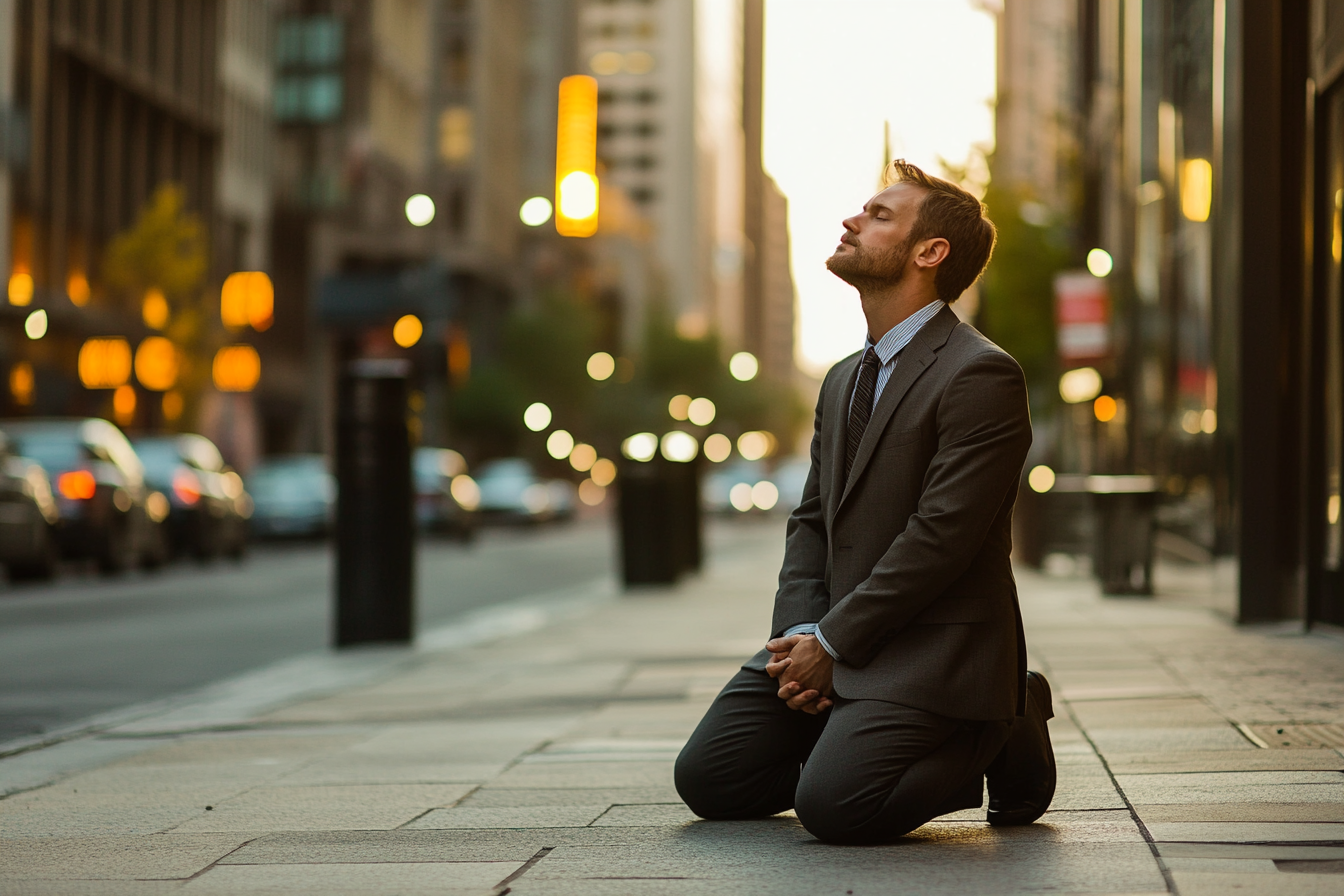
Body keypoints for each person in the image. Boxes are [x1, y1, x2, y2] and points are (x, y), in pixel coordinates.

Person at [674, 159, 1055, 845]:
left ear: (929, 252)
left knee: (836, 808)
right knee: (711, 779)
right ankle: (844, 736)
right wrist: (799, 641)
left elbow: (941, 538)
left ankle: (1003, 723)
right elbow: (813, 520)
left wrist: (833, 641)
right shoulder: (844, 377)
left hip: (933, 646)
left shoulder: (981, 374)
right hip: (837, 639)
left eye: (879, 215)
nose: (853, 219)